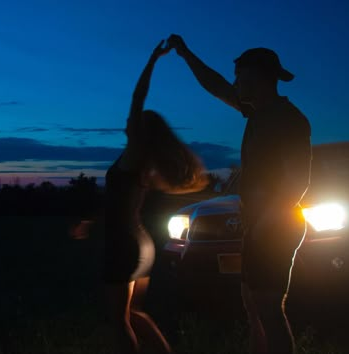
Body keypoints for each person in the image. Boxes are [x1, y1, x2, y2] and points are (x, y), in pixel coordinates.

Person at [167, 34, 312, 354]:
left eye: (241, 76)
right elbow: (216, 85)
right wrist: (185, 53)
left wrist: (266, 223)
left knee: (270, 309)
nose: (236, 83)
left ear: (260, 77)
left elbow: (297, 180)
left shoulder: (288, 119)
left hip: (276, 225)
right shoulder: (257, 113)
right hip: (258, 225)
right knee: (253, 305)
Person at [103, 40, 208, 354]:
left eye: (133, 121)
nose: (126, 121)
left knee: (118, 321)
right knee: (134, 314)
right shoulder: (144, 163)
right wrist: (91, 218)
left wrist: (152, 59)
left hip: (122, 244)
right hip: (142, 244)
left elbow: (138, 97)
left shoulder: (136, 155)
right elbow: (117, 198)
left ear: (140, 130)